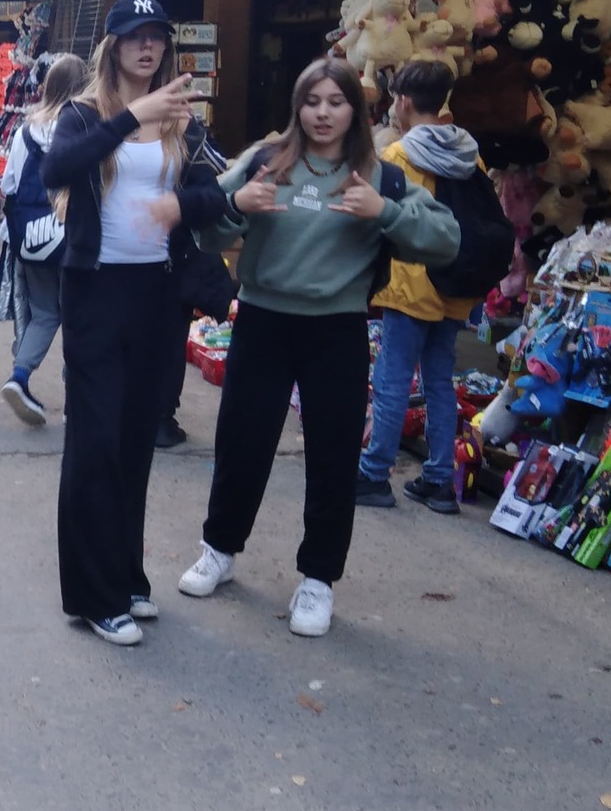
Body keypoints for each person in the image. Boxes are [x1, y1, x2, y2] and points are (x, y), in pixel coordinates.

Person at [180, 57, 460, 637]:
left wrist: (385, 213)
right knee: (242, 444)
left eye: (336, 102)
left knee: (332, 457)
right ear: (297, 106)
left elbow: (445, 241)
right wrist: (237, 206)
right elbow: (206, 230)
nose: (323, 113)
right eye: (312, 101)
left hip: (337, 330)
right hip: (262, 322)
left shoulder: (381, 176)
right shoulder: (266, 160)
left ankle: (318, 579)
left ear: (355, 110)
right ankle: (219, 549)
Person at [40, 1, 227, 645]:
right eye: (134, 38)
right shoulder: (84, 113)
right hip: (96, 292)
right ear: (113, 47)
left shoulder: (182, 119)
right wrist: (130, 117)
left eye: (157, 39)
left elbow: (215, 195)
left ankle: (126, 576)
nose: (147, 48)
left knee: (135, 441)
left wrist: (179, 205)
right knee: (94, 442)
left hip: (159, 294)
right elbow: (56, 170)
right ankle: (94, 596)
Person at [356, 59, 487, 515]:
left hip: (410, 283)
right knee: (439, 382)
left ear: (405, 102)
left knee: (392, 379)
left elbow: (382, 220)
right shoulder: (471, 155)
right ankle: (439, 480)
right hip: (455, 284)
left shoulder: (399, 156)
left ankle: (374, 473)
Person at [0, 53, 88, 426]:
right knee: (81, 316)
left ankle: (19, 377)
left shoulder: (26, 130)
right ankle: (75, 401)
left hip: (35, 238)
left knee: (45, 312)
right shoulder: (89, 127)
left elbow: (10, 185)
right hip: (80, 236)